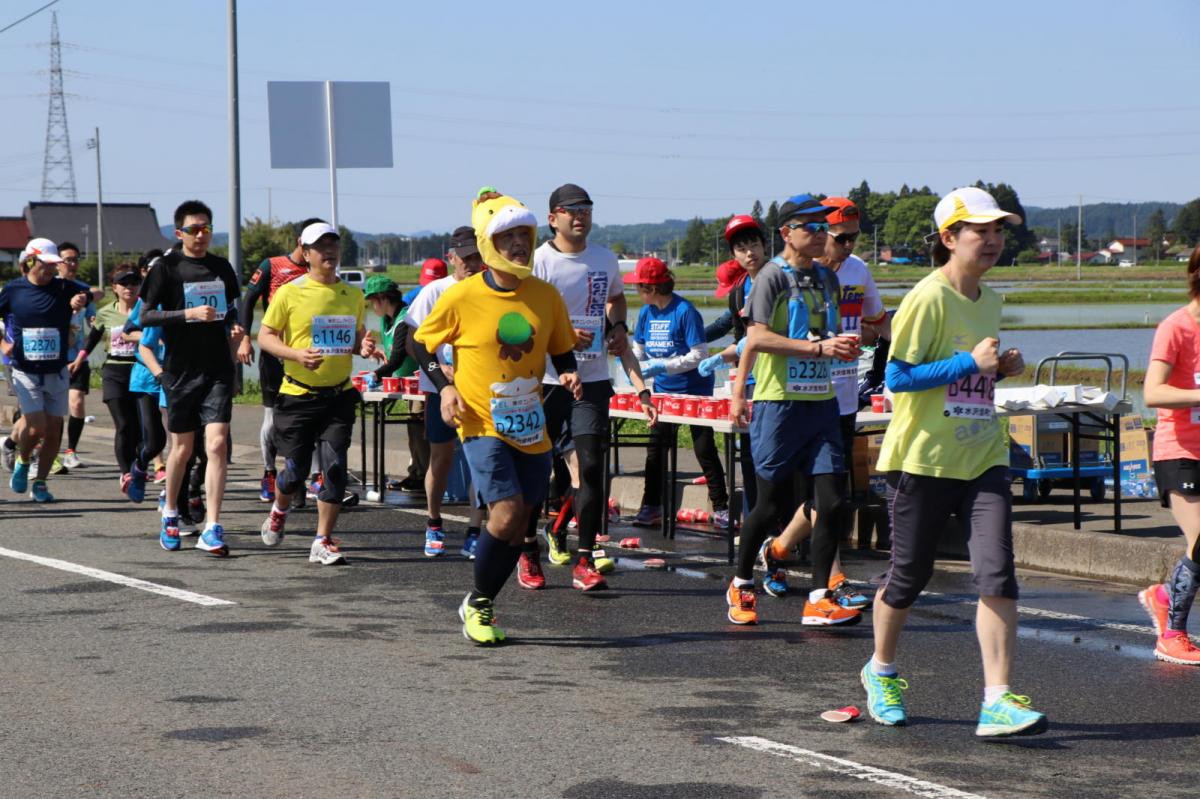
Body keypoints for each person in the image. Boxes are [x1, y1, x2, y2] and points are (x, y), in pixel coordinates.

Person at [859, 186, 1046, 738]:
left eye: (998, 231)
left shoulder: (989, 297)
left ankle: (997, 699)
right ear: (949, 238)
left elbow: (973, 373)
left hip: (983, 455)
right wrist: (970, 361)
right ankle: (882, 671)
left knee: (997, 573)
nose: (991, 240)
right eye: (979, 231)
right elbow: (895, 379)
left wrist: (999, 368)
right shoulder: (926, 297)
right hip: (922, 460)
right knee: (909, 577)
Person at [413, 189, 579, 644]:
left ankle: (480, 601)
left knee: (523, 519)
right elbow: (418, 343)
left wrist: (567, 376)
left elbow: (562, 350)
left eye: (524, 236)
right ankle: (478, 603)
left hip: (530, 423)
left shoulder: (545, 296)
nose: (519, 245)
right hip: (480, 421)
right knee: (504, 514)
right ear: (489, 244)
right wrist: (444, 386)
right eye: (507, 238)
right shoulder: (461, 296)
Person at [728, 194, 860, 627]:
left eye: (826, 227)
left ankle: (819, 596)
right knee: (768, 506)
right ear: (786, 233)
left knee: (831, 500)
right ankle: (742, 581)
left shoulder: (828, 279)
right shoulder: (770, 277)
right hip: (779, 403)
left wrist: (845, 346)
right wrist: (739, 394)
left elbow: (828, 333)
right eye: (812, 227)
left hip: (821, 403)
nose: (823, 235)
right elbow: (758, 338)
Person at [756, 197, 886, 605]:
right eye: (839, 238)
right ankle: (809, 571)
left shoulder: (857, 271)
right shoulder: (783, 275)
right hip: (790, 398)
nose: (847, 247)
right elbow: (755, 337)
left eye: (853, 239)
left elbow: (879, 323)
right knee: (792, 496)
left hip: (839, 397)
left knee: (828, 499)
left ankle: (786, 556)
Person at [528, 182, 629, 588]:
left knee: (590, 467)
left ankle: (584, 557)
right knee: (535, 472)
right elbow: (525, 318)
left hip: (592, 377)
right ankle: (527, 551)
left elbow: (616, 300)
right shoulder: (538, 262)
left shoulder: (605, 259)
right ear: (553, 218)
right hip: (545, 380)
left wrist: (619, 326)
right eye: (571, 210)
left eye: (586, 208)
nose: (580, 216)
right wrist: (563, 333)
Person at [256, 222, 377, 565]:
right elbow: (265, 337)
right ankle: (279, 509)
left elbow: (355, 339)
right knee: (294, 472)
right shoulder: (289, 292)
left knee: (335, 467)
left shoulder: (353, 294)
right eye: (320, 246)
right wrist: (296, 355)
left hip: (338, 396)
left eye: (333, 246)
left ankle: (322, 540)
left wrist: (365, 346)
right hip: (298, 395)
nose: (329, 252)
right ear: (305, 252)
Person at [138, 199, 243, 556]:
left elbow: (231, 312)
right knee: (181, 450)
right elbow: (146, 318)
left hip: (217, 370)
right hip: (181, 371)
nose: (200, 236)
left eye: (206, 229)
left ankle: (212, 526)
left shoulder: (221, 267)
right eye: (193, 230)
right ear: (179, 232)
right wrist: (188, 314)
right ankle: (170, 512)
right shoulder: (166, 268)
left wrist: (235, 329)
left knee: (216, 445)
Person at [626, 257, 730, 528]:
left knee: (704, 448)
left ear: (652, 288)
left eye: (638, 286)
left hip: (694, 391)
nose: (636, 291)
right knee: (655, 449)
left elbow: (699, 354)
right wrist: (636, 365)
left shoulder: (685, 311)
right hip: (661, 393)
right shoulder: (646, 312)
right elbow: (638, 348)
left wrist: (665, 365)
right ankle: (651, 506)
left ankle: (721, 508)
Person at [404, 225, 487, 557]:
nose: (470, 264)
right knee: (441, 458)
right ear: (451, 257)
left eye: (476, 256)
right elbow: (413, 341)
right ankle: (433, 521)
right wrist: (441, 371)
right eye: (464, 257)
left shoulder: (488, 288)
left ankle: (474, 528)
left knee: (480, 459)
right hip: (441, 389)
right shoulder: (435, 292)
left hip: (480, 391)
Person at [1139, 242, 1200, 665]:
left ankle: (1162, 594)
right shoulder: (1176, 327)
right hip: (1179, 449)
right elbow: (1152, 392)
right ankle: (1172, 634)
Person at [238, 218, 326, 504]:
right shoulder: (272, 265)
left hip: (311, 355)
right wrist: (244, 338)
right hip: (277, 354)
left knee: (312, 417)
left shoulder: (322, 272)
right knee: (273, 417)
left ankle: (315, 476)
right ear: (301, 242)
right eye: (315, 243)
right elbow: (248, 300)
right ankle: (269, 472)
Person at [0, 238, 90, 501]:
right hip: (25, 370)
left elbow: (90, 293)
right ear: (31, 261)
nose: (51, 269)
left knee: (53, 431)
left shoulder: (64, 287)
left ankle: (40, 483)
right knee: (36, 427)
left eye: (54, 265)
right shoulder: (14, 290)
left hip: (57, 370)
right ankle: (23, 460)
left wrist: (80, 299)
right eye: (46, 264)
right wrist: (2, 342)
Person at [698, 216, 770, 516]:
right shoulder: (738, 291)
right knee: (750, 454)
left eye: (754, 244)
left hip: (779, 378)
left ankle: (779, 520)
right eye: (742, 248)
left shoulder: (779, 279)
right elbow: (736, 332)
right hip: (750, 379)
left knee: (775, 453)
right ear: (734, 255)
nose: (750, 252)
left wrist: (739, 348)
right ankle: (754, 519)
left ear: (765, 246)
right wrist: (695, 341)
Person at [364, 275, 426, 494]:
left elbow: (399, 357)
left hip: (421, 381)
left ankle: (422, 477)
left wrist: (376, 374)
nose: (372, 306)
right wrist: (379, 358)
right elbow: (392, 356)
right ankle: (416, 474)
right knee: (413, 427)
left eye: (373, 301)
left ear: (383, 298)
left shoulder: (404, 319)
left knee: (419, 427)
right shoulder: (386, 320)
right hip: (403, 383)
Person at [93, 264, 144, 495]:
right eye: (124, 283)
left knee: (140, 428)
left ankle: (137, 466)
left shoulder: (147, 310)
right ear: (114, 287)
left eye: (134, 283)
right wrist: (78, 360)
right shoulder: (105, 312)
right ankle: (126, 472)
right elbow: (92, 339)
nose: (129, 287)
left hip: (141, 371)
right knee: (124, 425)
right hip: (114, 372)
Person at [58, 241, 95, 471]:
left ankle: (71, 451)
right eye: (67, 260)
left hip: (77, 357)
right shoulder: (51, 288)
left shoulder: (84, 290)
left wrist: (82, 355)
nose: (72, 264)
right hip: (53, 357)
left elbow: (94, 322)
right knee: (52, 411)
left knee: (77, 403)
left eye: (75, 259)